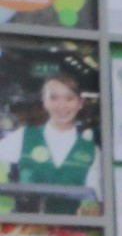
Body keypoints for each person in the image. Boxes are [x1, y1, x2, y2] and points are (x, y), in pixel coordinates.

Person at [7, 67, 97, 215]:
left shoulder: (91, 150)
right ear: (44, 101)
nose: (61, 105)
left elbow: (96, 198)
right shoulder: (23, 137)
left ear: (80, 103)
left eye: (69, 98)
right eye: (54, 98)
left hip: (73, 233)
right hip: (25, 233)